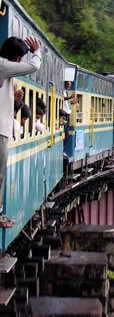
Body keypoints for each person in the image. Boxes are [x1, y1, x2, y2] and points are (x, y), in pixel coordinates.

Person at [0, 36, 41, 227]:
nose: (20, 62)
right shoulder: (3, 65)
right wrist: (37, 51)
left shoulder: (5, 71)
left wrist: (15, 99)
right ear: (15, 57)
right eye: (20, 58)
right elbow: (33, 67)